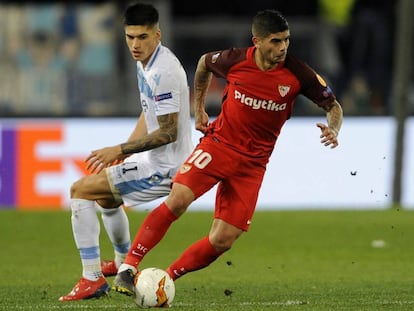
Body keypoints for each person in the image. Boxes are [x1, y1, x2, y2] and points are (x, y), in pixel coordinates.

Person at [112, 9, 344, 296]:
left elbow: (333, 106)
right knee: (179, 198)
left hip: (253, 165)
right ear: (256, 41)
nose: (282, 48)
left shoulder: (298, 73)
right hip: (218, 145)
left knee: (223, 239)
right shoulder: (234, 60)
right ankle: (129, 267)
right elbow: (203, 64)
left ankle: (166, 279)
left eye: (286, 40)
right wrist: (199, 110)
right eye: (275, 41)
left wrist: (333, 129)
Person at [59, 2, 193, 301]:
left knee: (80, 189)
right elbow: (149, 112)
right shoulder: (145, 62)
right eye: (130, 37)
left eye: (142, 37)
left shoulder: (163, 71)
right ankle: (121, 264)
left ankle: (91, 278)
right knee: (106, 197)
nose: (135, 44)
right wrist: (127, 151)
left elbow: (169, 131)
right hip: (154, 160)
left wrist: (119, 148)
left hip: (167, 167)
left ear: (157, 35)